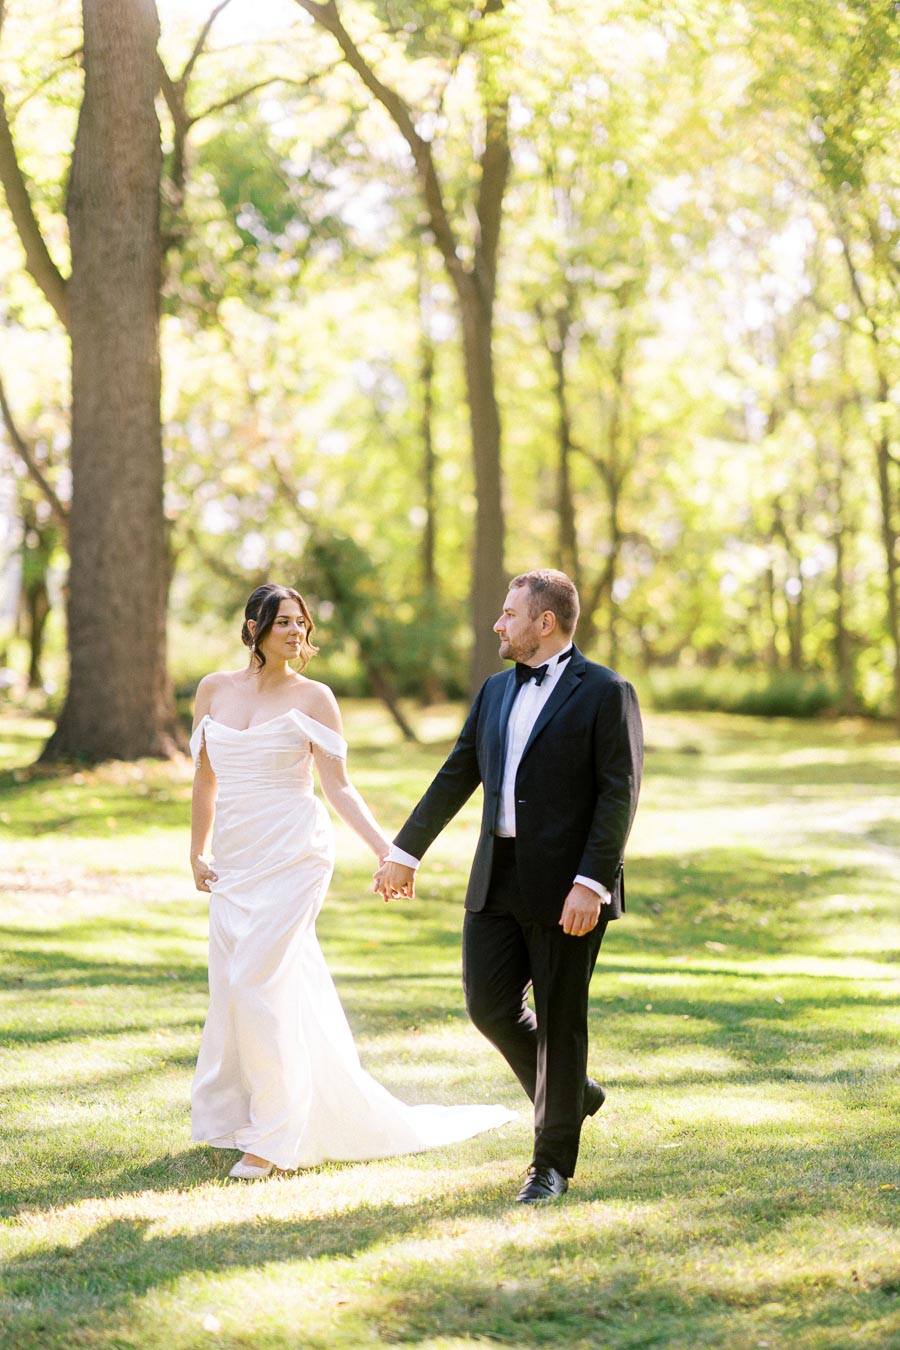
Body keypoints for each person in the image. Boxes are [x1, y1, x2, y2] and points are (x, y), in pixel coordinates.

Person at [189, 582, 513, 1180]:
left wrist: (391, 851)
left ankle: (272, 1137)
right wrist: (196, 851)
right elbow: (205, 780)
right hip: (235, 860)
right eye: (283, 621)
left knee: (255, 980)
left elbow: (338, 786)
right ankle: (248, 1110)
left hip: (294, 856)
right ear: (254, 627)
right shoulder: (212, 691)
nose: (296, 632)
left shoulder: (315, 698)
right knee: (241, 986)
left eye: (301, 624)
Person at [375, 568, 643, 1203]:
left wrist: (591, 883)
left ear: (543, 622)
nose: (498, 624)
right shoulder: (495, 691)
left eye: (508, 614)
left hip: (569, 887)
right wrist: (404, 851)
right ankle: (573, 1093)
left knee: (560, 1020)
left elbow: (619, 794)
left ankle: (549, 1165)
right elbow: (456, 772)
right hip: (496, 878)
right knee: (488, 1005)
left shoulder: (607, 692)